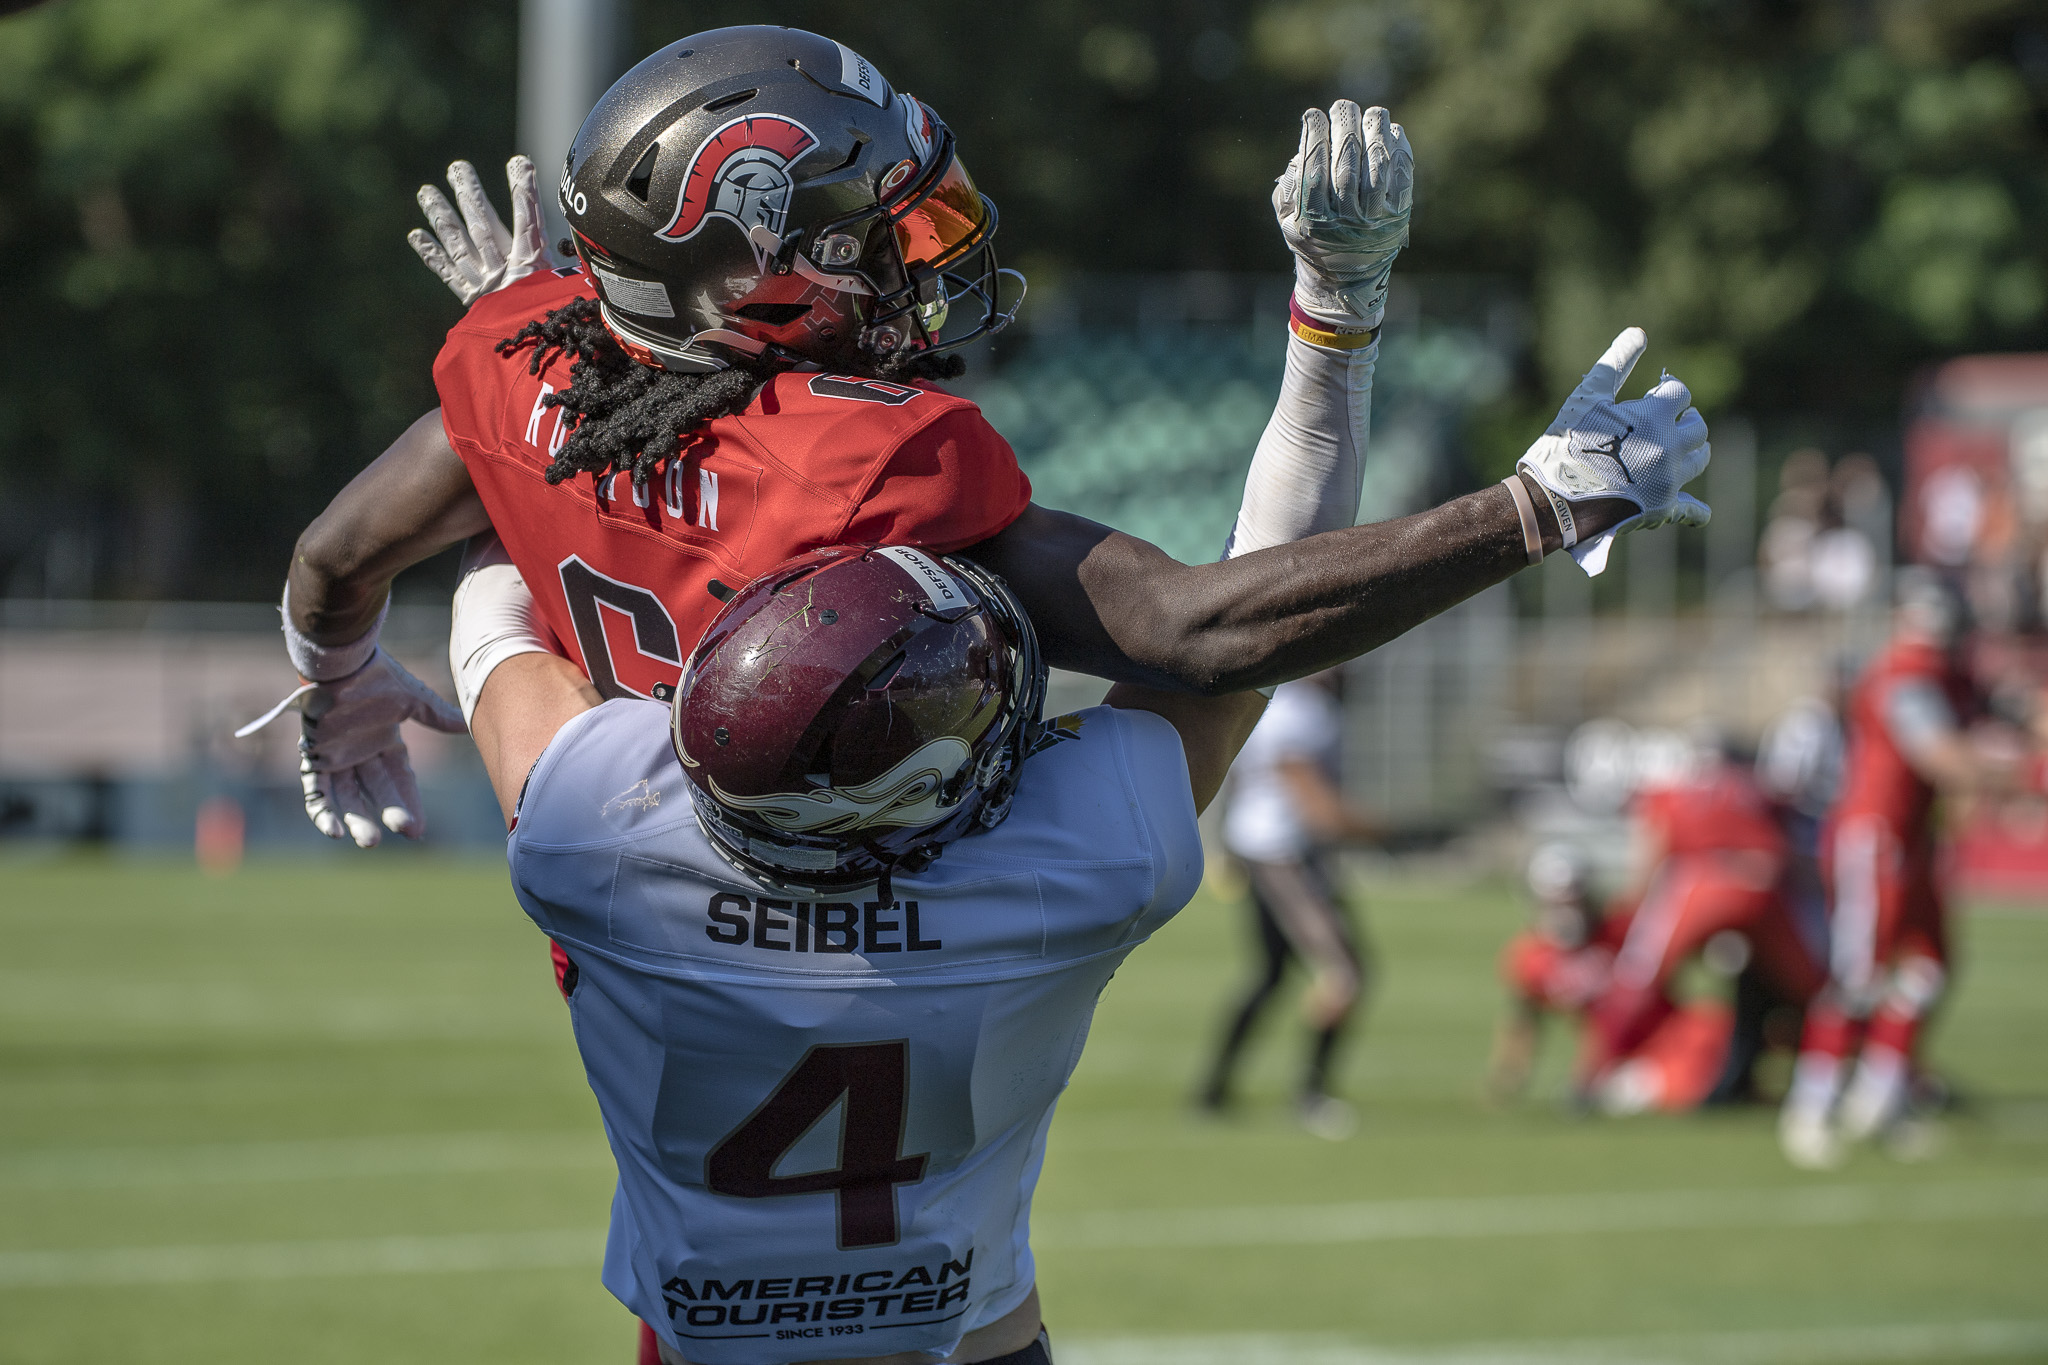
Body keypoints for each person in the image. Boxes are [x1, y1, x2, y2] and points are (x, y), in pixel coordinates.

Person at [240, 24, 1713, 852]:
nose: (921, 259)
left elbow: (335, 556)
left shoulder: (521, 356)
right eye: (884, 232)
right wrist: (1527, 507)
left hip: (624, 899)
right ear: (754, 269)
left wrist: (343, 684)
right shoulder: (864, 459)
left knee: (494, 595)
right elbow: (1202, 635)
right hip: (895, 908)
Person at [451, 537, 1267, 1365]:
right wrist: (1325, 407)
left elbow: (491, 623)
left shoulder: (592, 834)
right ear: (921, 786)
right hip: (976, 1343)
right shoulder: (1083, 858)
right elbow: (1245, 636)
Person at [1778, 570, 2010, 1168]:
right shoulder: (1904, 674)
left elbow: (1997, 718)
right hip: (1874, 838)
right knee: (1859, 975)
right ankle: (1810, 1106)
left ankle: (1879, 1098)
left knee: (1927, 969)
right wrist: (2025, 773)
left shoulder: (1946, 675)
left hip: (1912, 842)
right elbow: (1942, 758)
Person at [1579, 728, 1826, 1109]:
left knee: (1635, 979)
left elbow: (1651, 864)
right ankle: (1858, 1073)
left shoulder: (1670, 794)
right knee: (1818, 990)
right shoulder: (1756, 788)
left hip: (1703, 883)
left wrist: (1629, 913)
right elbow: (1796, 851)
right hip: (1766, 885)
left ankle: (1591, 1079)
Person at [1197, 672, 1377, 1136]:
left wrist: (1230, 844)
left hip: (1262, 849)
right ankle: (1311, 1094)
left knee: (1271, 975)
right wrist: (1390, 831)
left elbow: (1236, 773)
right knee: (1346, 973)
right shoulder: (1305, 712)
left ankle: (1212, 1090)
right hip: (1285, 858)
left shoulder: (1276, 702)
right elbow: (1313, 803)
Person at [1485, 843, 1620, 1103]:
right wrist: (1508, 1077)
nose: (1565, 909)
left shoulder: (1619, 934)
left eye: (1573, 898)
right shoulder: (1529, 955)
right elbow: (1523, 1021)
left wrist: (1588, 1078)